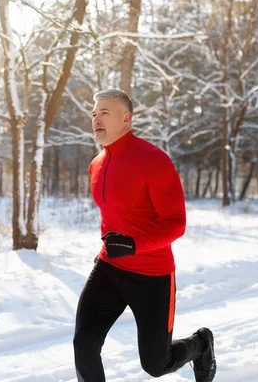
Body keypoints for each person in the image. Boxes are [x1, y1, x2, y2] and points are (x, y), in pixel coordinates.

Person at [73, 89, 216, 382]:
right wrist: (116, 246)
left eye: (105, 113)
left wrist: (134, 244)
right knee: (84, 344)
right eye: (94, 114)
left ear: (126, 118)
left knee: (156, 364)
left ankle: (201, 344)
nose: (96, 120)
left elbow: (176, 223)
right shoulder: (96, 164)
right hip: (109, 269)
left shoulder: (153, 160)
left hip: (152, 275)